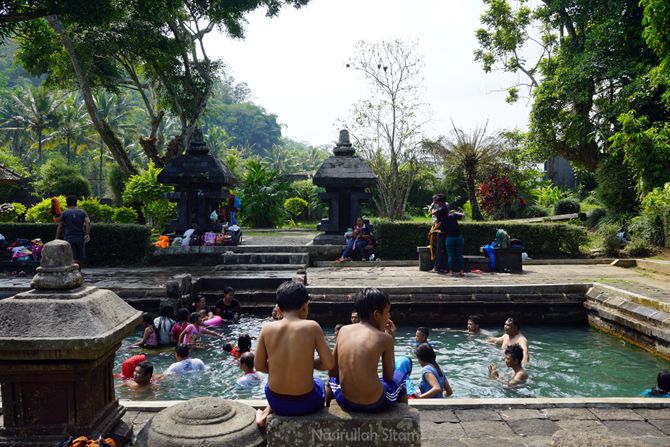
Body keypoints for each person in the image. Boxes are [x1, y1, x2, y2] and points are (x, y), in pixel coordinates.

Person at [254, 281, 334, 427]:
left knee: (269, 386)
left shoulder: (267, 329)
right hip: (305, 403)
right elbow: (329, 364)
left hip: (276, 401)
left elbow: (258, 365)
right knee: (320, 383)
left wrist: (279, 366)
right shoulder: (312, 327)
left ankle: (265, 413)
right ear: (305, 306)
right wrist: (308, 364)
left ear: (278, 309)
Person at [328, 288, 408, 412]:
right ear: (376, 315)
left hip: (346, 401)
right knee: (401, 378)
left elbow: (332, 372)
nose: (389, 316)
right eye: (387, 312)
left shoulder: (343, 330)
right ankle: (404, 417)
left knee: (331, 381)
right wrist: (391, 339)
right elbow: (388, 376)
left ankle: (327, 411)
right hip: (375, 402)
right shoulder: (385, 338)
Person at [55, 195, 91, 268]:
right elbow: (88, 222)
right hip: (80, 237)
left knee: (72, 257)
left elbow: (61, 226)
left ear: (67, 203)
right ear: (76, 203)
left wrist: (57, 237)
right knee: (80, 257)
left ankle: (74, 273)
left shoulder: (65, 213)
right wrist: (87, 234)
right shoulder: (82, 212)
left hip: (69, 237)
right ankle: (79, 273)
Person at [429, 195, 449, 273]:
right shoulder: (446, 207)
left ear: (440, 202)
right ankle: (444, 268)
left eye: (437, 201)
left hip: (441, 231)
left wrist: (432, 205)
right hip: (445, 230)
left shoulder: (442, 208)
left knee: (439, 250)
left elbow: (432, 212)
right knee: (445, 250)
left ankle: (437, 267)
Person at [445, 209, 466, 277]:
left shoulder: (443, 218)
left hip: (449, 238)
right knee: (459, 255)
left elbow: (441, 229)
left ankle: (451, 272)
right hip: (459, 237)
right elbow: (463, 216)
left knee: (451, 256)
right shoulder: (453, 215)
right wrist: (454, 212)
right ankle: (462, 271)